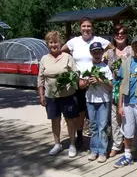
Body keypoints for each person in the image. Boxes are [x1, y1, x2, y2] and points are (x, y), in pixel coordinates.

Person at [62, 17, 111, 149]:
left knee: (97, 112)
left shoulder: (98, 40)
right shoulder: (74, 41)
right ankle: (79, 136)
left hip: (96, 79)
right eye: (84, 26)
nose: (86, 29)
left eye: (89, 26)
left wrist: (106, 57)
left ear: (92, 28)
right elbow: (62, 51)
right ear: (80, 27)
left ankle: (101, 142)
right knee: (81, 110)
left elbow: (111, 48)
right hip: (81, 81)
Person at [113, 36, 137, 170]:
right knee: (127, 131)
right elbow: (120, 84)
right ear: (132, 47)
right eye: (136, 46)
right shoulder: (126, 63)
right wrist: (119, 105)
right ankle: (127, 155)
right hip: (127, 102)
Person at [38, 31, 78, 158]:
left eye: (55, 42)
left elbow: (75, 73)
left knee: (70, 120)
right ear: (47, 44)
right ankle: (57, 144)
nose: (53, 45)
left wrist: (70, 80)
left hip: (68, 95)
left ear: (60, 43)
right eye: (50, 42)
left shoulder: (68, 57)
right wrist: (42, 95)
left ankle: (72, 144)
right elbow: (40, 78)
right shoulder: (44, 59)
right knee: (55, 120)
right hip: (51, 96)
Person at [79, 42, 113, 163]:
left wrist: (100, 80)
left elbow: (110, 86)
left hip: (104, 100)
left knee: (102, 127)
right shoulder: (86, 67)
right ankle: (94, 150)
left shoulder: (106, 67)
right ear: (91, 53)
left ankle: (103, 152)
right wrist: (88, 81)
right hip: (90, 100)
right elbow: (81, 85)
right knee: (93, 127)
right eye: (94, 52)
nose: (97, 54)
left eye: (99, 51)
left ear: (102, 52)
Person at [105, 24, 133, 157]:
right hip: (113, 88)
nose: (120, 35)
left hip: (129, 88)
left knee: (128, 118)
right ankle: (116, 144)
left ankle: (130, 146)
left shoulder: (132, 50)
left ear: (127, 35)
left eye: (123, 33)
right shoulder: (109, 53)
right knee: (115, 118)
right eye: (117, 33)